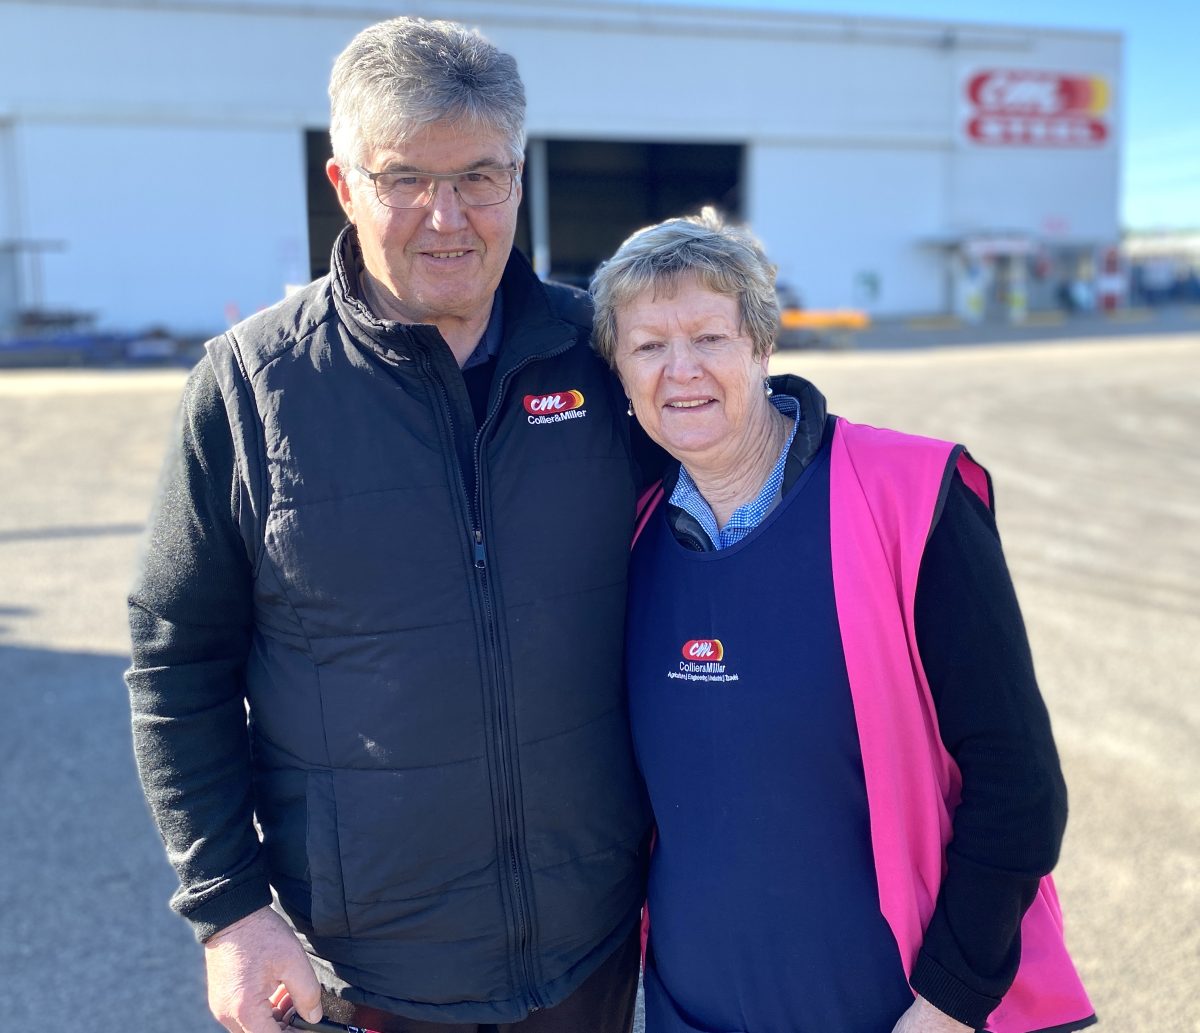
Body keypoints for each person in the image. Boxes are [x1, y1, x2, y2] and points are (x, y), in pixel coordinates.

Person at [126, 17, 656, 1033]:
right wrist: (231, 912)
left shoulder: (603, 357)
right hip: (362, 974)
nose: (446, 216)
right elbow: (175, 663)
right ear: (344, 185)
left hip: (590, 949)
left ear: (519, 175)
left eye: (480, 177)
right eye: (405, 176)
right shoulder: (249, 389)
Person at [590, 209, 1097, 1033]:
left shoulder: (911, 494)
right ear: (619, 370)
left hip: (905, 1012)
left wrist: (948, 1004)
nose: (680, 370)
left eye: (710, 338)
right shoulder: (632, 534)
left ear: (761, 345)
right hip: (691, 1009)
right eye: (648, 346)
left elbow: (1018, 783)